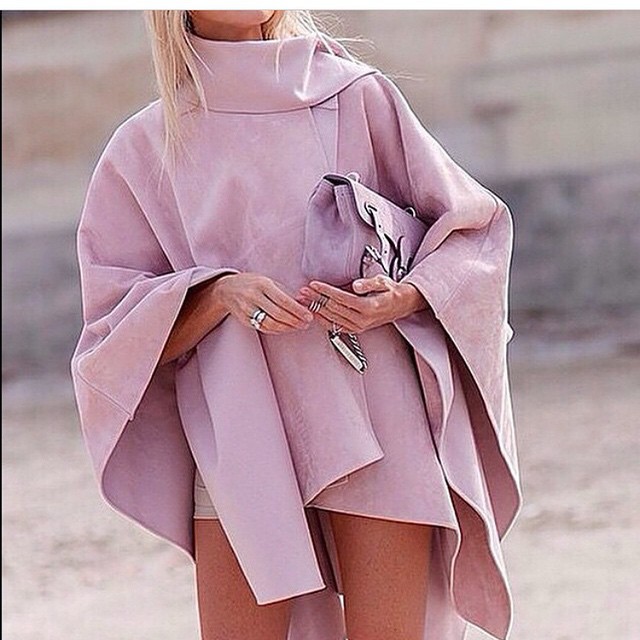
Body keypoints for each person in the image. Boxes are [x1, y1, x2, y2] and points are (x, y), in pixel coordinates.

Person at [70, 9, 522, 640]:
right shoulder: (148, 143)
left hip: (378, 413)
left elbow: (475, 231)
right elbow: (111, 333)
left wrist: (401, 296)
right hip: (238, 432)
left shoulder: (356, 97)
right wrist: (215, 294)